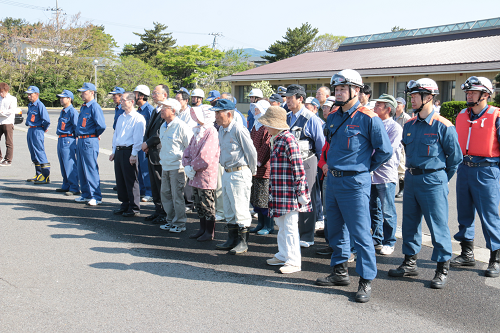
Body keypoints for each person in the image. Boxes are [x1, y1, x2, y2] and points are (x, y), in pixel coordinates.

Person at [315, 69, 392, 303]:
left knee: (360, 232)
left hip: (355, 182)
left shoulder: (369, 118)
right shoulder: (334, 116)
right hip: (334, 180)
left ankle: (366, 279)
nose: (337, 93)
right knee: (336, 229)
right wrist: (328, 164)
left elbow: (385, 151)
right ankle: (339, 271)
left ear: (356, 90)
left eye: (342, 89)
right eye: (336, 89)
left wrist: (363, 167)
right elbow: (330, 145)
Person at [388, 78, 462, 289]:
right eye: (411, 96)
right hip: (411, 179)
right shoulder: (409, 125)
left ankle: (441, 267)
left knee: (437, 225)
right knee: (410, 223)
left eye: (415, 96)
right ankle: (410, 263)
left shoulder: (443, 126)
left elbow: (454, 159)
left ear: (429, 97)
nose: (411, 99)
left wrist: (439, 180)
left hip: (433, 180)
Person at [452, 76, 500, 278]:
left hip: (487, 170)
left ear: (485, 95)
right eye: (468, 92)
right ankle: (467, 252)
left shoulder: (496, 116)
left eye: (472, 92)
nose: (468, 95)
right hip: (464, 167)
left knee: (489, 216)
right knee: (463, 213)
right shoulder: (462, 115)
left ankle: (495, 258)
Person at [259, 106, 311, 274]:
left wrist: (301, 192)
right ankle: (283, 254)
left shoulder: (288, 139)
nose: (265, 127)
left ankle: (294, 261)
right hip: (279, 191)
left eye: (267, 123)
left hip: (289, 193)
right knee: (281, 225)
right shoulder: (277, 138)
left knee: (289, 227)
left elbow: (298, 167)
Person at [213, 99, 257, 255]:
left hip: (239, 172)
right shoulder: (221, 130)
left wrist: (251, 171)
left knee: (240, 208)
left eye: (218, 113)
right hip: (227, 171)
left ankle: (243, 242)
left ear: (228, 114)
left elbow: (251, 152)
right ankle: (231, 239)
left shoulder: (239, 129)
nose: (216, 116)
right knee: (229, 208)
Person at [284, 84, 325, 248]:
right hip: (290, 163)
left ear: (300, 98)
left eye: (290, 98)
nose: (287, 101)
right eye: (286, 98)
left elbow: (321, 144)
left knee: (307, 198)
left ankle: (307, 236)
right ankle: (294, 231)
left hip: (307, 161)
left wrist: (321, 166)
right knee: (292, 198)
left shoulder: (311, 118)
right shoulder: (286, 117)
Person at [370, 94, 402, 255]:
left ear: (388, 109)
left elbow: (386, 151)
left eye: (379, 105)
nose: (375, 107)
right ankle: (377, 238)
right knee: (373, 209)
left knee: (387, 210)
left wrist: (369, 163)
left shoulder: (394, 127)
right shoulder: (374, 123)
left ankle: (389, 241)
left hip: (385, 175)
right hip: (371, 174)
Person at [183, 104, 220, 241]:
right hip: (195, 173)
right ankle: (202, 229)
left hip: (205, 175)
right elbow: (187, 150)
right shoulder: (198, 131)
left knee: (207, 203)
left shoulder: (211, 131)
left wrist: (192, 167)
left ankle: (209, 232)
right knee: (198, 203)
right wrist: (186, 164)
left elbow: (206, 156)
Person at [156, 98, 193, 233]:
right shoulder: (163, 126)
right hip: (165, 165)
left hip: (177, 167)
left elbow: (189, 147)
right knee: (165, 194)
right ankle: (170, 220)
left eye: (164, 108)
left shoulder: (181, 126)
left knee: (177, 196)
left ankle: (180, 223)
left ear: (173, 110)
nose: (161, 110)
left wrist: (188, 165)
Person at [109, 91, 146, 217]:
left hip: (129, 151)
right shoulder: (121, 117)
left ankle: (134, 207)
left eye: (124, 100)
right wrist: (113, 151)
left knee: (131, 180)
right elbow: (116, 135)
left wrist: (134, 154)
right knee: (120, 180)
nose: (121, 101)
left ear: (131, 101)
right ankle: (124, 204)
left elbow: (138, 139)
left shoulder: (138, 118)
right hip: (119, 151)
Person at [75, 83, 107, 206]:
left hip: (89, 139)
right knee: (81, 168)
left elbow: (101, 125)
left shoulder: (94, 106)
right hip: (81, 139)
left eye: (85, 92)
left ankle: (96, 196)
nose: (82, 94)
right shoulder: (84, 107)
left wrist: (94, 134)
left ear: (92, 92)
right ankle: (86, 194)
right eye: (82, 92)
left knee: (90, 168)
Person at [142, 84, 169, 223]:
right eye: (153, 93)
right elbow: (149, 130)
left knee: (161, 184)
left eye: (155, 93)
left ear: (164, 95)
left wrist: (148, 143)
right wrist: (145, 142)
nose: (153, 95)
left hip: (158, 152)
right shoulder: (155, 110)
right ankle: (157, 210)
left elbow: (160, 132)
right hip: (151, 152)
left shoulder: (166, 110)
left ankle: (164, 213)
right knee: (154, 184)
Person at [248, 99, 273, 235]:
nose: (256, 112)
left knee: (264, 199)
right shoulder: (255, 125)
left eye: (258, 110)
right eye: (255, 110)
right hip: (254, 167)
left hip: (264, 168)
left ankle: (269, 225)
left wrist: (258, 162)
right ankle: (260, 223)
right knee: (257, 198)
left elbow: (266, 146)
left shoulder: (267, 126)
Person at [55, 89, 80, 195]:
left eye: (63, 98)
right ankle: (66, 185)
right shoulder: (63, 110)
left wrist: (76, 139)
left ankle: (74, 187)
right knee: (63, 163)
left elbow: (76, 127)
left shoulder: (72, 111)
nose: (61, 99)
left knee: (69, 164)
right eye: (60, 98)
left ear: (69, 99)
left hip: (68, 139)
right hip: (61, 138)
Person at [25, 86, 51, 184]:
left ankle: (45, 176)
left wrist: (42, 128)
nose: (29, 96)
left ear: (37, 94)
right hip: (31, 130)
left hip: (37, 129)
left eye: (31, 94)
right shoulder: (30, 105)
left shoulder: (40, 105)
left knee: (40, 152)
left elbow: (46, 120)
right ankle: (38, 174)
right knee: (33, 153)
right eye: (28, 94)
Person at [133, 85, 154, 203]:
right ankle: (141, 190)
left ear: (141, 96)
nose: (133, 95)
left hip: (146, 144)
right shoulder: (139, 110)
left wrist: (148, 144)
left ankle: (149, 192)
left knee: (146, 169)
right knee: (139, 168)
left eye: (135, 93)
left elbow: (152, 129)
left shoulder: (149, 110)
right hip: (138, 143)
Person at [393, 97, 411, 198]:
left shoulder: (406, 118)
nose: (396, 106)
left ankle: (402, 189)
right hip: (392, 146)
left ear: (403, 106)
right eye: (395, 103)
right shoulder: (392, 116)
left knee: (401, 168)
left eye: (399, 104)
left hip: (401, 146)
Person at [0, 82, 18, 167]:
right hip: (0, 121)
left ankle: (8, 160)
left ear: (6, 91)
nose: (1, 94)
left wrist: (2, 112)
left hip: (8, 122)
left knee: (8, 142)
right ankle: (0, 157)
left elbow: (11, 110)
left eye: (2, 92)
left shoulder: (12, 99)